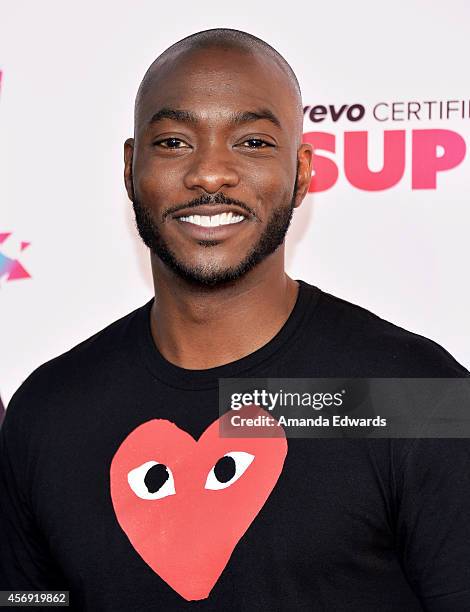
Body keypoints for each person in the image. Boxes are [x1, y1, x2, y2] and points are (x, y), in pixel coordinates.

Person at [1, 28, 469, 612]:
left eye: (252, 143)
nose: (210, 173)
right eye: (173, 142)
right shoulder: (47, 412)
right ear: (130, 168)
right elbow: (29, 601)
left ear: (302, 174)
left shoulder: (416, 396)